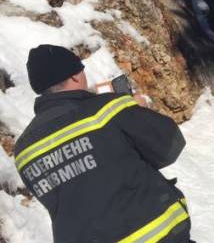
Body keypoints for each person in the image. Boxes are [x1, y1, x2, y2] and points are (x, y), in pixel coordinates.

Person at [14, 45, 190, 242]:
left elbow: (75, 187)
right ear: (74, 76)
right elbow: (170, 145)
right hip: (158, 235)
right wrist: (136, 109)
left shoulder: (23, 150)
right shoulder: (108, 108)